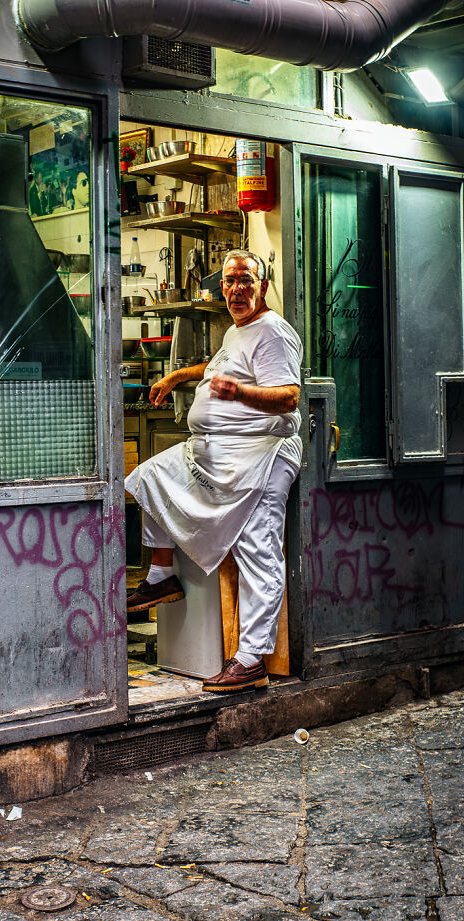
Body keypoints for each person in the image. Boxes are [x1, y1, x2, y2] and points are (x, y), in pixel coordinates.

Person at [125, 250, 302, 692]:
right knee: (150, 478)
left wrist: (239, 393)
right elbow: (218, 368)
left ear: (261, 285)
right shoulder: (237, 331)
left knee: (256, 551)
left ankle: (251, 660)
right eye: (230, 282)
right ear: (220, 286)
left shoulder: (273, 332)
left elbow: (289, 397)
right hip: (219, 454)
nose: (238, 289)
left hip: (261, 455)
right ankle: (161, 577)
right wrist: (178, 377)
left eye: (247, 280)